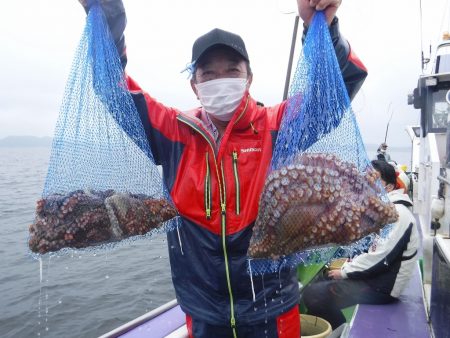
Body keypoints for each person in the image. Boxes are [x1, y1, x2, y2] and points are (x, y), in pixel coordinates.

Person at [78, 1, 367, 337]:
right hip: (203, 314)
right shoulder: (173, 131)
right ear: (194, 85)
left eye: (232, 70)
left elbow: (338, 86)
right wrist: (108, 16)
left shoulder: (277, 127)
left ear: (249, 78)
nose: (221, 80)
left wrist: (322, 26)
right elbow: (114, 89)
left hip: (273, 311)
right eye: (208, 74)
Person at [302, 160, 419, 330]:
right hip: (376, 279)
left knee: (315, 294)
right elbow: (376, 248)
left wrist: (345, 272)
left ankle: (342, 331)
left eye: (375, 179)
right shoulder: (387, 209)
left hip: (382, 287)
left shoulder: (398, 214)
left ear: (389, 187)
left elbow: (381, 258)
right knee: (321, 282)